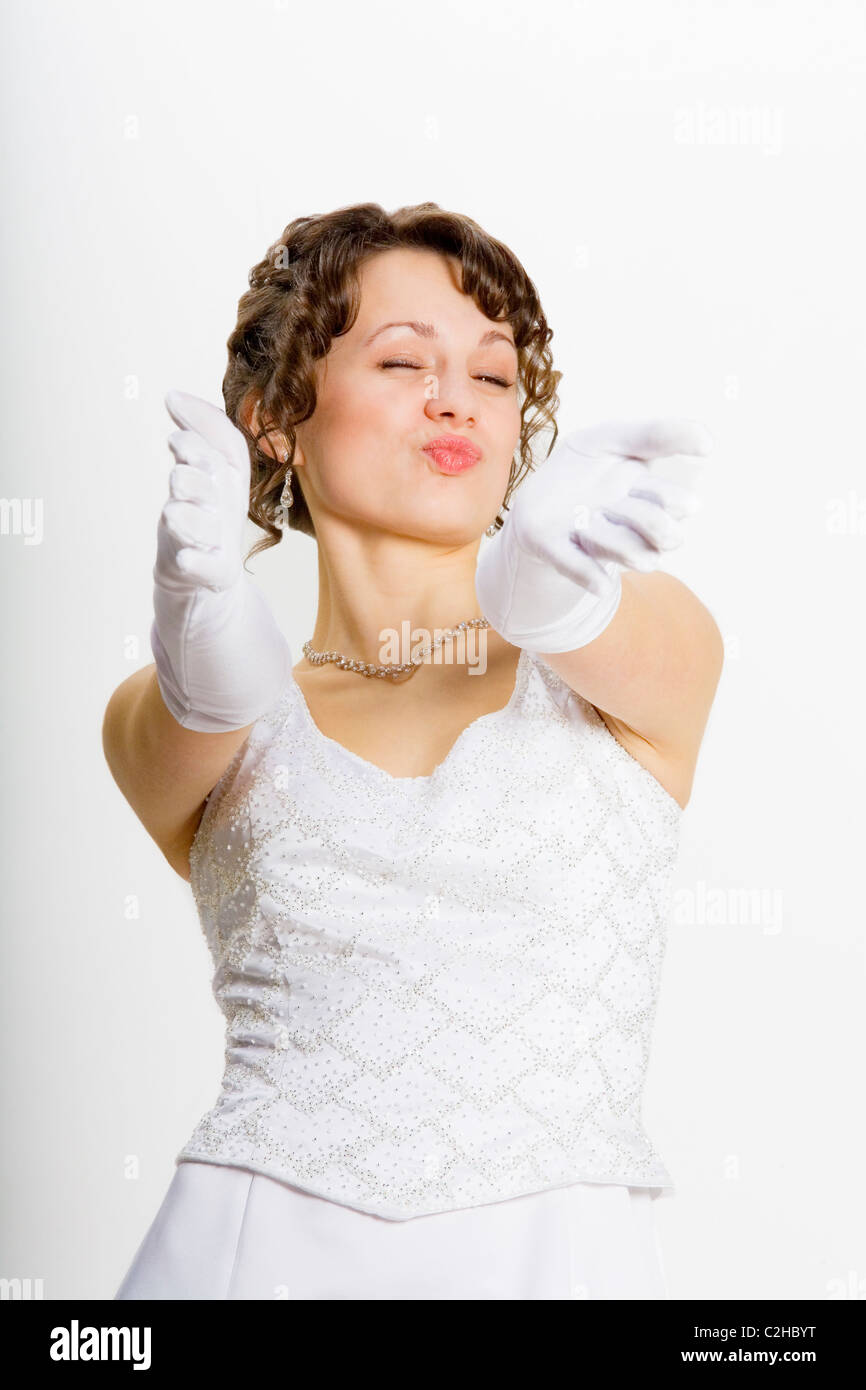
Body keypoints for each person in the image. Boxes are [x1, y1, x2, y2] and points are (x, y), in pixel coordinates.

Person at [102, 201, 723, 1300]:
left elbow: (601, 636)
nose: (454, 401)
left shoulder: (634, 660)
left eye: (492, 377)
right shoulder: (194, 714)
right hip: (246, 1264)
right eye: (401, 360)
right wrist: (201, 616)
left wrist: (542, 579)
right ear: (273, 420)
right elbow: (190, 716)